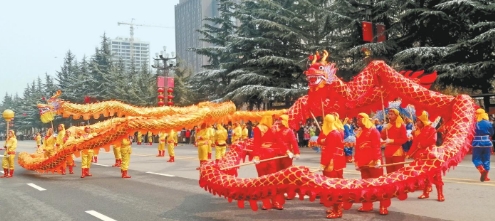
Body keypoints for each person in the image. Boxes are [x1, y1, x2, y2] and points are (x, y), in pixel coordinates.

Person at [354, 113, 390, 215]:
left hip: (373, 162)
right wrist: (356, 161)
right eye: (357, 119)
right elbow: (357, 149)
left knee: (379, 185)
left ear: (365, 120)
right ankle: (367, 205)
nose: (357, 122)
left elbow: (376, 147)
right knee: (365, 185)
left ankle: (383, 206)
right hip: (363, 163)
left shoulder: (374, 131)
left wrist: (377, 160)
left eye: (359, 119)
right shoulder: (359, 132)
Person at [406, 111, 444, 201]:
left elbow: (433, 140)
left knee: (436, 175)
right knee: (424, 176)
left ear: (422, 121)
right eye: (416, 121)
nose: (416, 123)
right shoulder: (417, 131)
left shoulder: (431, 129)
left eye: (418, 121)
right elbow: (415, 144)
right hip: (420, 156)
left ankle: (440, 194)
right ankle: (425, 193)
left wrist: (422, 144)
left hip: (431, 155)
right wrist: (409, 154)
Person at [318, 114, 345, 218]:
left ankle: (338, 211)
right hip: (336, 161)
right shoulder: (336, 132)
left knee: (334, 187)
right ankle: (335, 208)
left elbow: (329, 151)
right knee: (335, 186)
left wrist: (323, 164)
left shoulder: (332, 134)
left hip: (332, 162)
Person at [251, 114, 279, 210]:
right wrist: (256, 156)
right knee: (263, 180)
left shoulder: (273, 129)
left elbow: (279, 141)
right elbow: (256, 143)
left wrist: (288, 151)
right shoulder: (258, 129)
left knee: (273, 179)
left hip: (272, 156)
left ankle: (275, 201)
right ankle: (266, 202)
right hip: (262, 156)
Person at [381, 109, 408, 174]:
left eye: (391, 114)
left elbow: (404, 139)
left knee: (398, 173)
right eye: (389, 114)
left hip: (397, 151)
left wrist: (392, 141)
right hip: (388, 151)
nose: (389, 116)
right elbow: (383, 137)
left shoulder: (401, 125)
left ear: (396, 115)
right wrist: (383, 130)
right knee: (389, 172)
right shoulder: (387, 125)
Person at [472, 108, 494, 182]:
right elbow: (492, 133)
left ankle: (482, 170)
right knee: (486, 159)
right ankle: (486, 176)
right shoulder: (489, 123)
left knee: (476, 158)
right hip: (487, 142)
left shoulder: (474, 124)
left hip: (477, 143)